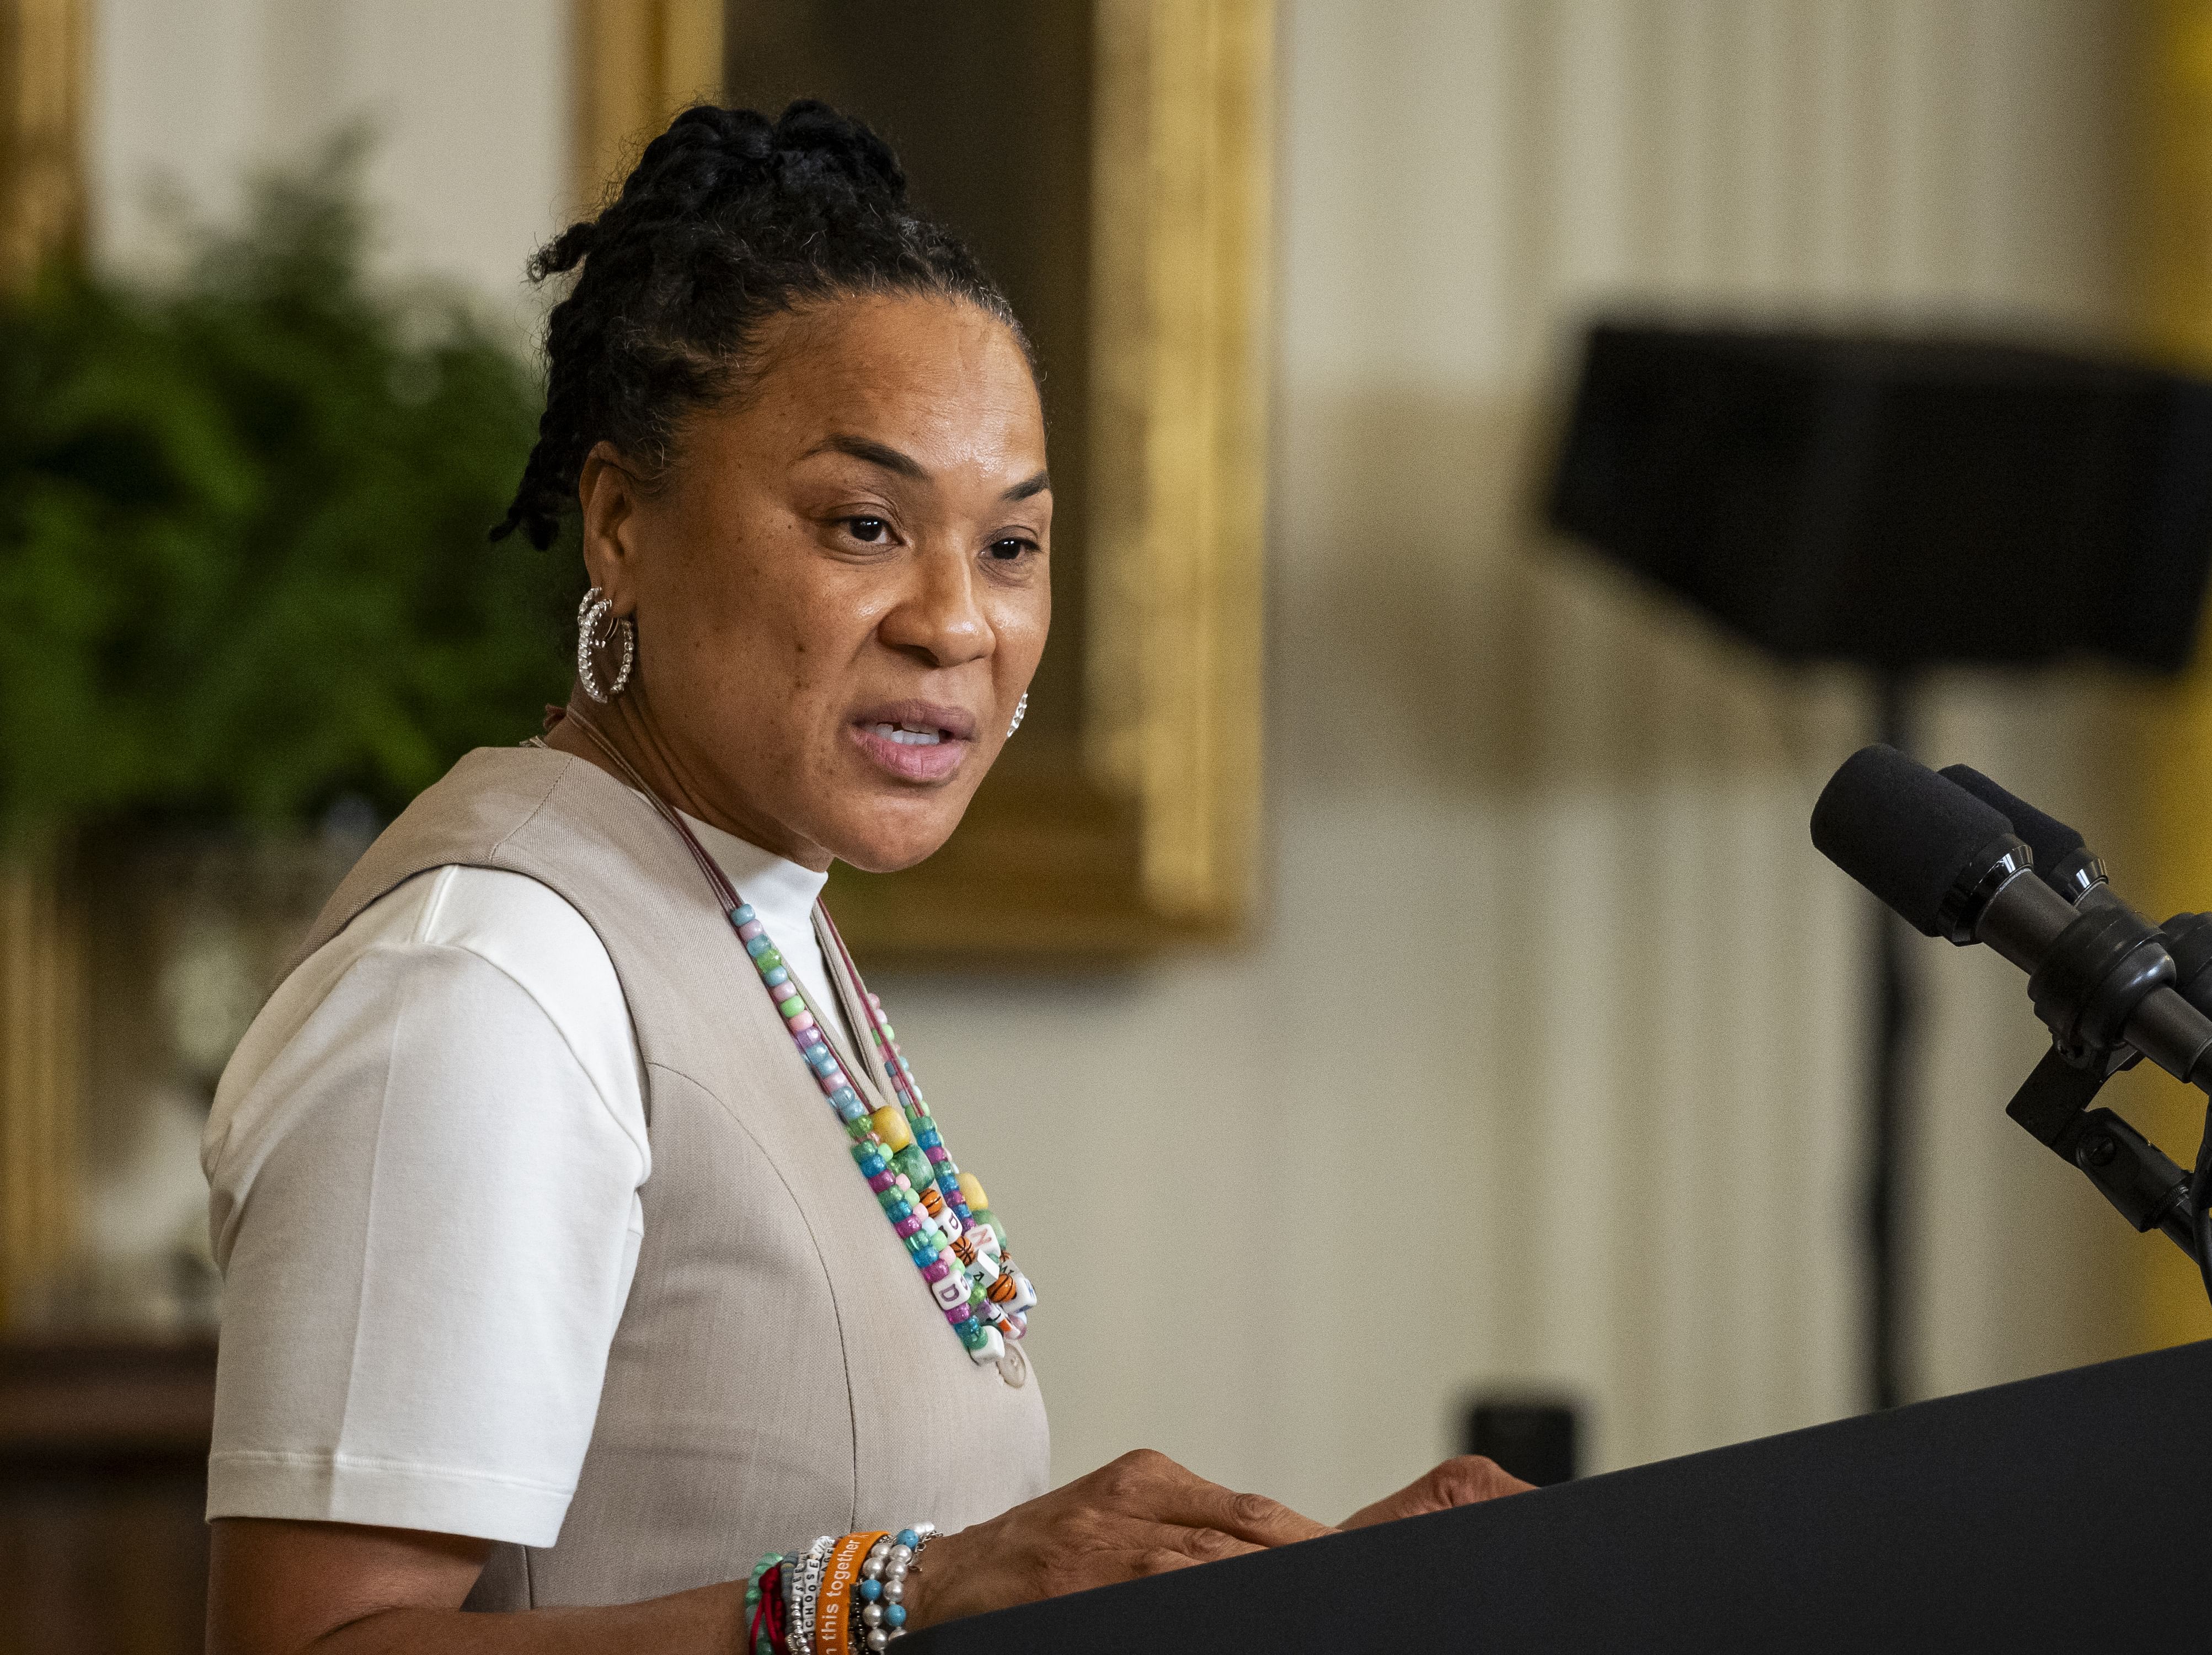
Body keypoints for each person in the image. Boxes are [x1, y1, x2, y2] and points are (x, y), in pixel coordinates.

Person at [202, 101, 1523, 1655]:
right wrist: (895, 1595)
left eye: (1012, 548)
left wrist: (1299, 1596)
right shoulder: (491, 980)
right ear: (620, 526)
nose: (956, 622)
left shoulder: (747, 912)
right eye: (865, 525)